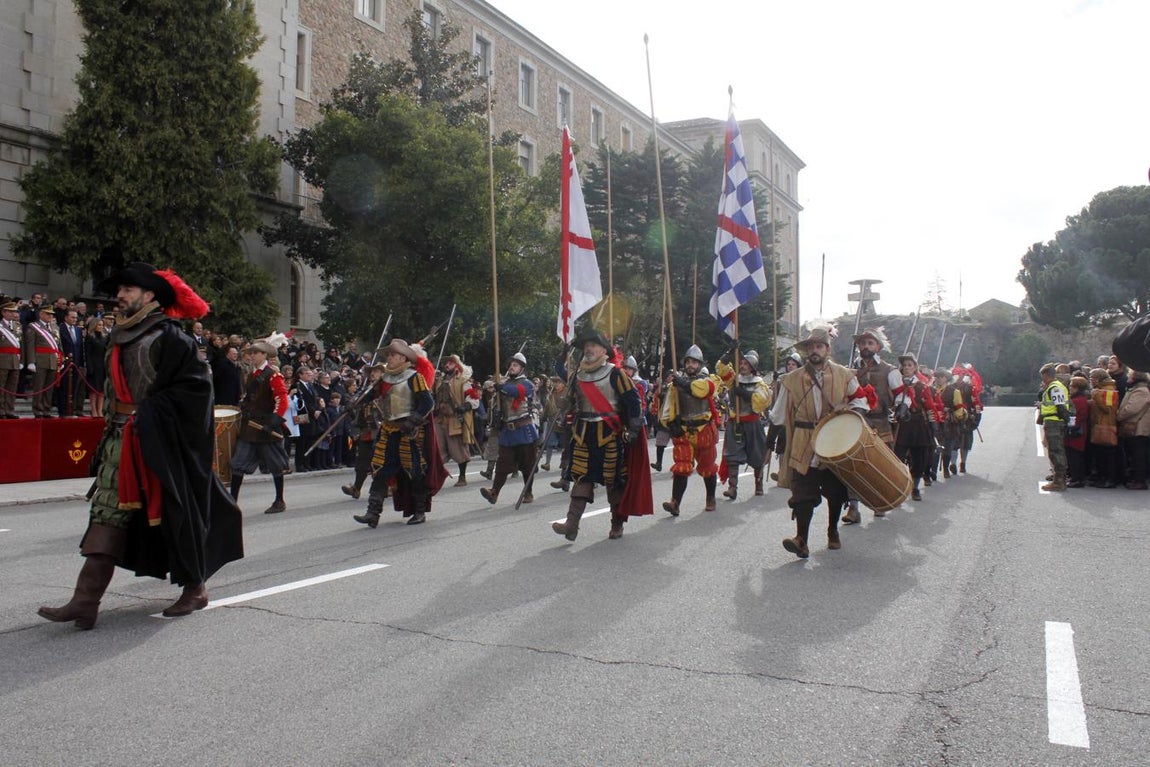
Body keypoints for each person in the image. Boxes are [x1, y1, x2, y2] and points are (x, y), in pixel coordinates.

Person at [38, 262, 243, 629]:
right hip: (121, 438)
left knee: (176, 511)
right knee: (107, 512)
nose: (119, 296)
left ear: (149, 296)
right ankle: (85, 602)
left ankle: (195, 588)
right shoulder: (120, 335)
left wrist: (149, 415)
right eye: (120, 291)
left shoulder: (171, 338)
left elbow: (197, 393)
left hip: (160, 440)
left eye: (128, 290)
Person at [769, 322, 870, 558]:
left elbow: (861, 401)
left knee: (835, 490)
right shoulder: (791, 379)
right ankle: (801, 539)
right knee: (803, 492)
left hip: (834, 439)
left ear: (827, 349)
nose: (815, 350)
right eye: (811, 346)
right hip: (804, 440)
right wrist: (776, 436)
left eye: (819, 346)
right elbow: (777, 414)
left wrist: (850, 416)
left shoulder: (844, 375)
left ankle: (833, 530)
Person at [551, 328, 652, 540]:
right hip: (583, 433)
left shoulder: (615, 373)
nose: (588, 349)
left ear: (603, 350)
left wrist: (633, 429)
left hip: (610, 432)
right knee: (581, 477)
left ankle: (617, 524)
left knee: (613, 480)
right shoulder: (578, 375)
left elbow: (633, 401)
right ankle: (571, 524)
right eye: (586, 346)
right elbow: (561, 374)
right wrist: (564, 353)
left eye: (593, 345)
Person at [353, 339, 446, 527]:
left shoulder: (414, 377)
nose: (389, 358)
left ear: (403, 357)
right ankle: (373, 513)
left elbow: (427, 403)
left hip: (409, 431)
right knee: (379, 469)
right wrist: (355, 401)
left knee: (414, 471)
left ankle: (420, 511)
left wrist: (413, 421)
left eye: (392, 355)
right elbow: (370, 394)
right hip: (388, 429)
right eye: (388, 355)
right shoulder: (385, 378)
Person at [842, 329, 900, 524]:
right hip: (857, 422)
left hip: (881, 423)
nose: (865, 346)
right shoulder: (849, 370)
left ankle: (880, 502)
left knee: (881, 465)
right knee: (853, 465)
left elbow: (900, 393)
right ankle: (853, 508)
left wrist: (903, 406)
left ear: (877, 346)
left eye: (869, 343)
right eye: (862, 343)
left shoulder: (889, 370)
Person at [229, 336, 291, 513]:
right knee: (238, 464)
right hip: (250, 426)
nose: (252, 355)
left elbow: (282, 401)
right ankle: (232, 502)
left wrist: (273, 422)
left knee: (276, 466)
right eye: (252, 353)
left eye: (256, 353)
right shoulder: (252, 374)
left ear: (265, 354)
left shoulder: (273, 375)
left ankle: (279, 501)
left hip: (266, 427)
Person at [659, 344, 720, 515]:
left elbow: (702, 391)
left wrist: (682, 383)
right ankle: (675, 503)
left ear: (700, 364)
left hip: (704, 430)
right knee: (681, 467)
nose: (690, 365)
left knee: (708, 467)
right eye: (688, 362)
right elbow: (668, 408)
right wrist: (671, 425)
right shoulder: (675, 385)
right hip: (684, 431)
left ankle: (710, 498)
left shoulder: (708, 381)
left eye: (694, 362)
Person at [479, 352, 539, 506]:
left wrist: (501, 388)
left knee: (528, 465)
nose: (512, 368)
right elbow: (492, 392)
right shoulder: (504, 383)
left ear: (522, 368)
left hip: (524, 430)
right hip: (507, 431)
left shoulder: (527, 384)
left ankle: (528, 492)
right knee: (502, 464)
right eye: (511, 365)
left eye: (515, 365)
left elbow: (517, 391)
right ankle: (494, 492)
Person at [715, 349, 772, 499]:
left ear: (752, 366)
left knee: (757, 455)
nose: (743, 365)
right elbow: (721, 370)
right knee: (732, 456)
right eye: (742, 362)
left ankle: (758, 485)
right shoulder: (733, 380)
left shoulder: (759, 384)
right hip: (735, 423)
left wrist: (745, 394)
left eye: (746, 363)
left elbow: (762, 401)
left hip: (752, 423)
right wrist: (727, 354)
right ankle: (732, 488)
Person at [891, 353, 939, 501]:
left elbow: (929, 407)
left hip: (918, 424)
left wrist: (933, 425)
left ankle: (916, 487)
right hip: (901, 424)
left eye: (909, 365)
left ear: (915, 368)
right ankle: (898, 486)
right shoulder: (895, 384)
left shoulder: (922, 387)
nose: (906, 368)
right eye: (904, 366)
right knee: (897, 456)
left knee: (919, 457)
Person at [435, 353, 480, 486]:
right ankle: (436, 477)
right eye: (446, 363)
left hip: (455, 419)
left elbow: (474, 399)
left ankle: (462, 476)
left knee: (459, 450)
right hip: (441, 419)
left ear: (456, 365)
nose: (447, 365)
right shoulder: (439, 381)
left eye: (450, 363)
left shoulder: (463, 381)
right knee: (437, 449)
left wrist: (465, 406)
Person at [342, 364, 384, 499]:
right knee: (362, 461)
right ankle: (356, 488)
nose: (372, 374)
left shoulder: (387, 389)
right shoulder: (366, 389)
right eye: (371, 372)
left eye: (376, 371)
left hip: (384, 430)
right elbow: (357, 399)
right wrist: (350, 404)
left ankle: (389, 487)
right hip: (367, 430)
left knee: (381, 461)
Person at [23, 303, 62, 417]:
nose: (50, 316)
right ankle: (38, 410)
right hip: (40, 360)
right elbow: (30, 345)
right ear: (41, 314)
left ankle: (46, 409)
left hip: (53, 360)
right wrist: (31, 361)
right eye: (48, 314)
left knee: (49, 388)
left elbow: (59, 345)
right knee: (39, 387)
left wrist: (61, 359)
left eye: (52, 314)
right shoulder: (33, 326)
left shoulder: (55, 327)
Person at [1038, 362, 1071, 492]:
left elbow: (1060, 406)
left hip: (1054, 421)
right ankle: (1059, 479)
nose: (1042, 379)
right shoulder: (1055, 386)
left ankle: (1059, 481)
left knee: (1056, 451)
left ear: (1047, 375)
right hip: (1054, 420)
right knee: (1056, 451)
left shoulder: (1055, 387)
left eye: (1043, 376)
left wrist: (1065, 420)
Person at [1116, 369, 1150, 489]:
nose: (1128, 377)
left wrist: (1119, 415)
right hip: (1135, 426)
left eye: (1130, 375)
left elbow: (1132, 409)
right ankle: (1136, 478)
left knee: (1138, 456)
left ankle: (1139, 480)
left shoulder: (1141, 391)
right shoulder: (1136, 389)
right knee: (1135, 454)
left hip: (1138, 427)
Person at [1087, 366, 1120, 488]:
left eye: (1092, 378)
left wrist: (1096, 398)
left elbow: (1109, 410)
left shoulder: (1109, 390)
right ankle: (1102, 477)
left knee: (1108, 455)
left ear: (1097, 379)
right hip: (1099, 425)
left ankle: (1109, 479)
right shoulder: (1100, 390)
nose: (1090, 380)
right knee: (1100, 454)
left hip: (1106, 425)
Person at [1065, 375, 1090, 488]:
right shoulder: (1081, 399)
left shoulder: (1077, 401)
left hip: (1075, 431)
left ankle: (1076, 478)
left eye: (1072, 386)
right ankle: (1075, 477)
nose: (1070, 388)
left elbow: (1076, 416)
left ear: (1078, 388)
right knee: (1074, 455)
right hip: (1077, 429)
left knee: (1074, 455)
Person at [84, 315, 111, 418]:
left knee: (101, 389)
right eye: (99, 325)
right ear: (94, 325)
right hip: (94, 365)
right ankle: (93, 410)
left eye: (102, 325)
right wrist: (89, 367)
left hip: (102, 365)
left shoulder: (105, 337)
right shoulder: (90, 337)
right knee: (94, 389)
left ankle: (100, 410)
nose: (101, 327)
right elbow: (88, 353)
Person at [0, 301, 22, 418]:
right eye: (10, 311)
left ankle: (9, 410)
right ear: (3, 312)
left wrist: (22, 361)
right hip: (2, 360)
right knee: (1, 387)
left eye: (14, 312)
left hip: (15, 360)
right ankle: (1, 410)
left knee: (12, 387)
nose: (13, 314)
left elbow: (22, 345)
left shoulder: (18, 326)